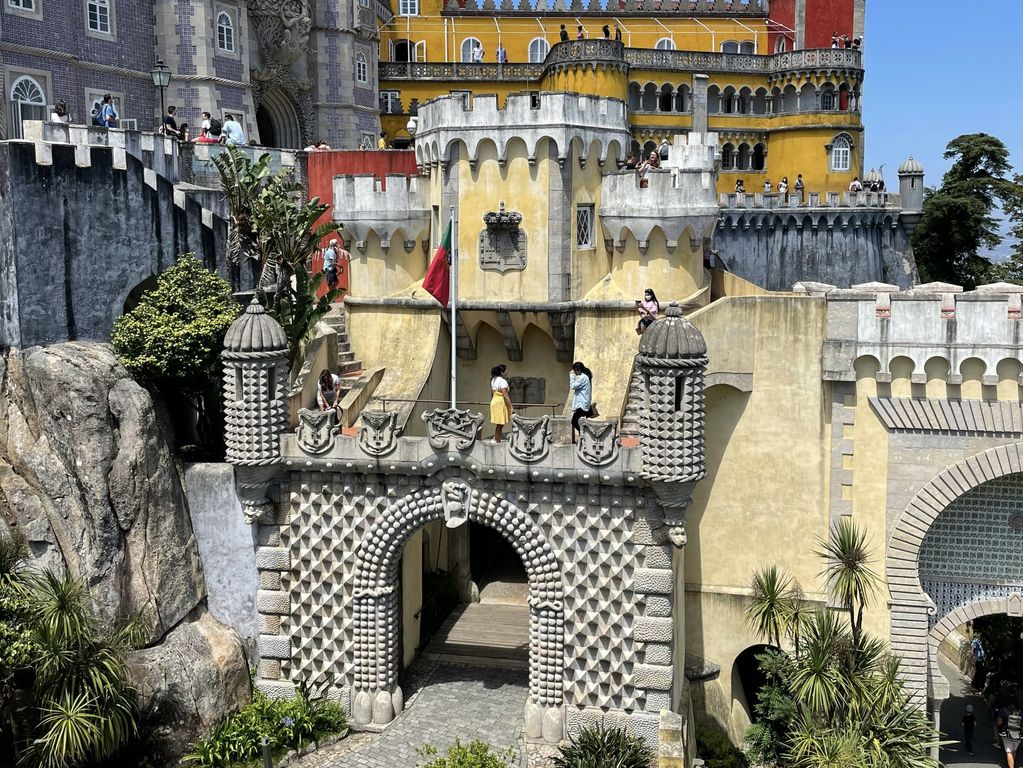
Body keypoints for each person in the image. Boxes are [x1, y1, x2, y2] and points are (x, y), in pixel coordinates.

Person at [569, 362, 594, 443]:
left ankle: (584, 435)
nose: (575, 373)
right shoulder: (585, 376)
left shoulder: (583, 377)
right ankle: (583, 436)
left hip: (582, 404)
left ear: (578, 370)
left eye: (575, 371)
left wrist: (572, 376)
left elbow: (573, 386)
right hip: (583, 403)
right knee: (579, 422)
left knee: (574, 421)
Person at [490, 365, 513, 443]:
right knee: (500, 424)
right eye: (506, 371)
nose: (507, 372)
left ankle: (496, 438)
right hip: (500, 402)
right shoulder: (503, 382)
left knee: (499, 423)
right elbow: (505, 395)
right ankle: (497, 439)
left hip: (494, 401)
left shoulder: (493, 380)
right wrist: (511, 407)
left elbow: (492, 392)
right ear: (502, 372)